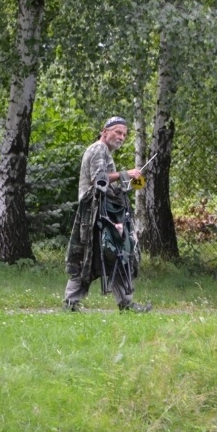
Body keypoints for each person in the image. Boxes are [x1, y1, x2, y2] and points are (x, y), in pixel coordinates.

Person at [63, 116, 152, 313]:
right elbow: (99, 180)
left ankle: (124, 304)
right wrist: (126, 174)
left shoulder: (103, 151)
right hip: (95, 213)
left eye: (124, 134)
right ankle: (73, 303)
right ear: (105, 131)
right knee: (98, 254)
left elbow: (107, 183)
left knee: (113, 255)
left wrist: (126, 183)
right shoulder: (99, 149)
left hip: (103, 211)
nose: (121, 137)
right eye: (118, 132)